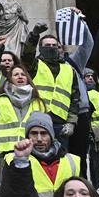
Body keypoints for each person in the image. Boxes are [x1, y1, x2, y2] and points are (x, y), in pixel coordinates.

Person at [21, 23, 84, 152]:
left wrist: (71, 122)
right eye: (47, 45)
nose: (51, 47)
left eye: (54, 45)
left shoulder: (69, 69)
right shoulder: (34, 65)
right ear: (40, 48)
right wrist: (34, 35)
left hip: (60, 124)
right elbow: (26, 55)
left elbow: (75, 98)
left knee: (60, 159)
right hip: (37, 120)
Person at [0, 65, 48, 169]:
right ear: (10, 79)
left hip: (33, 153)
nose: (20, 77)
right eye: (16, 74)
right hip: (5, 156)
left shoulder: (38, 102)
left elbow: (46, 131)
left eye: (23, 74)